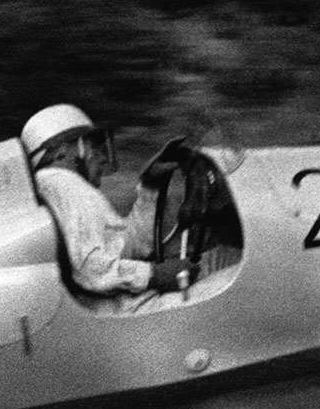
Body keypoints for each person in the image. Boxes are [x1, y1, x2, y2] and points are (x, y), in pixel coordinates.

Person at [19, 103, 194, 309]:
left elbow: (125, 247)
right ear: (63, 152)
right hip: (126, 309)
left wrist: (149, 188)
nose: (102, 158)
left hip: (116, 307)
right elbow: (90, 268)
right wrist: (154, 274)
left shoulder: (55, 186)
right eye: (95, 146)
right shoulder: (64, 184)